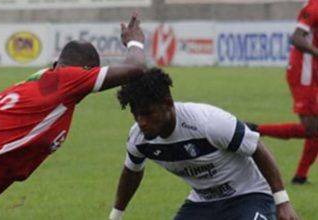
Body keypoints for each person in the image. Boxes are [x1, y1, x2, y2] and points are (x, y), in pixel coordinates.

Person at [0, 14, 145, 219]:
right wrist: (135, 41)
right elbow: (135, 68)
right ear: (85, 72)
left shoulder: (27, 91)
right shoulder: (65, 80)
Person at [108, 68, 299, 220]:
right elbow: (131, 172)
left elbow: (257, 148)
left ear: (168, 104)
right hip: (203, 203)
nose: (141, 122)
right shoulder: (139, 139)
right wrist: (116, 215)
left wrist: (282, 202)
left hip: (250, 195)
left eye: (148, 113)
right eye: (136, 114)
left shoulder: (209, 123)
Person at [246, 0, 318, 185]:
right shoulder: (315, 7)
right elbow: (296, 37)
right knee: (311, 129)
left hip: (313, 71)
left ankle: (300, 176)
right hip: (304, 72)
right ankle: (256, 129)